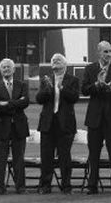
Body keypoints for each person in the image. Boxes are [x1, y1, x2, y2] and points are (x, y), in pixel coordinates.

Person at [82, 41, 111, 195]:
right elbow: (85, 90)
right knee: (93, 154)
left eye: (110, 52)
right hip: (94, 118)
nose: (108, 55)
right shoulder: (90, 69)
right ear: (99, 52)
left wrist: (108, 88)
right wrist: (97, 85)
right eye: (105, 52)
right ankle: (92, 186)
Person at [36, 53, 80, 194]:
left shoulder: (72, 79)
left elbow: (74, 98)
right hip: (48, 123)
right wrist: (48, 90)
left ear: (64, 64)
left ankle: (66, 186)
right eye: (53, 60)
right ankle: (45, 185)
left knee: (64, 157)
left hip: (65, 124)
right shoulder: (46, 79)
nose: (55, 61)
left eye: (58, 60)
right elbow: (39, 99)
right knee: (46, 157)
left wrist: (62, 88)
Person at [0, 58, 29, 195]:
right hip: (1, 127)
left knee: (19, 159)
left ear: (14, 69)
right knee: (1, 160)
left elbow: (26, 102)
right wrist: (16, 102)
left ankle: (21, 187)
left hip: (19, 126)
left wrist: (6, 104)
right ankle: (0, 188)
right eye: (3, 67)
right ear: (0, 70)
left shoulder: (22, 85)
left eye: (8, 67)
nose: (6, 69)